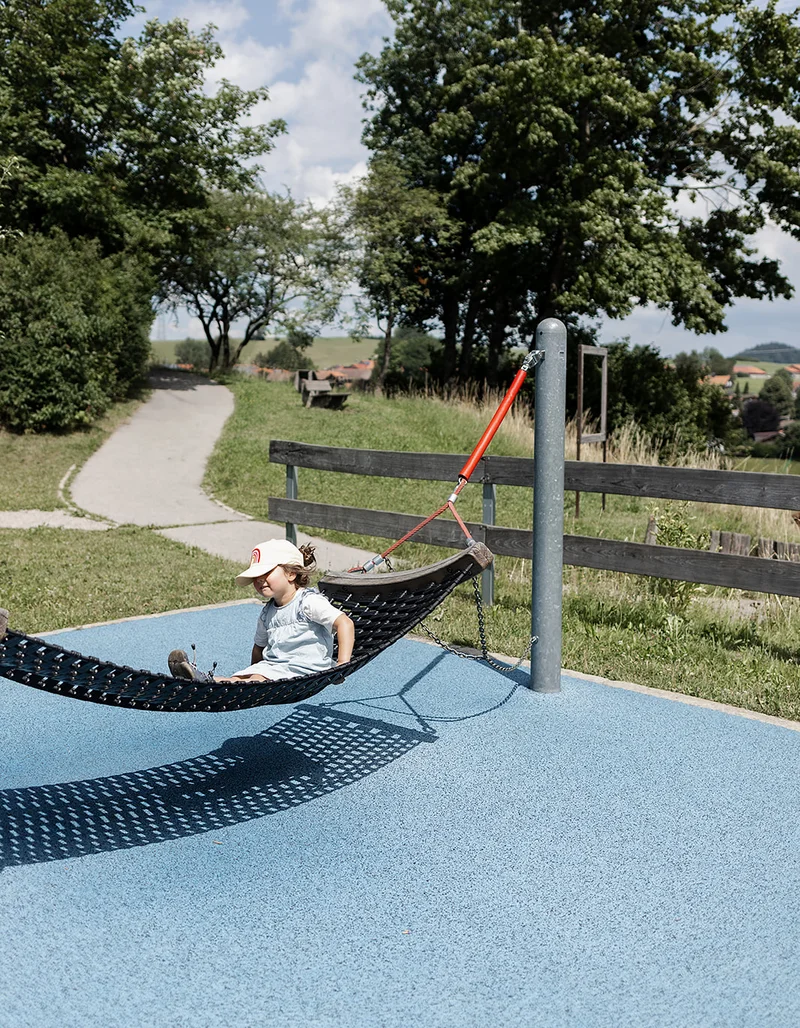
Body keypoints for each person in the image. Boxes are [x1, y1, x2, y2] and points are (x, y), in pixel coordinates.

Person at [168, 539, 355, 683]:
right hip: (275, 669)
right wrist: (252, 673)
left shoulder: (308, 602)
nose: (259, 580)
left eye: (266, 573)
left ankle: (206, 681)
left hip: (307, 670)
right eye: (256, 576)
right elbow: (258, 648)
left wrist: (342, 665)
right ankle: (200, 679)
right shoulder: (267, 613)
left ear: (291, 573)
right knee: (239, 679)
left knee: (254, 679)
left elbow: (344, 623)